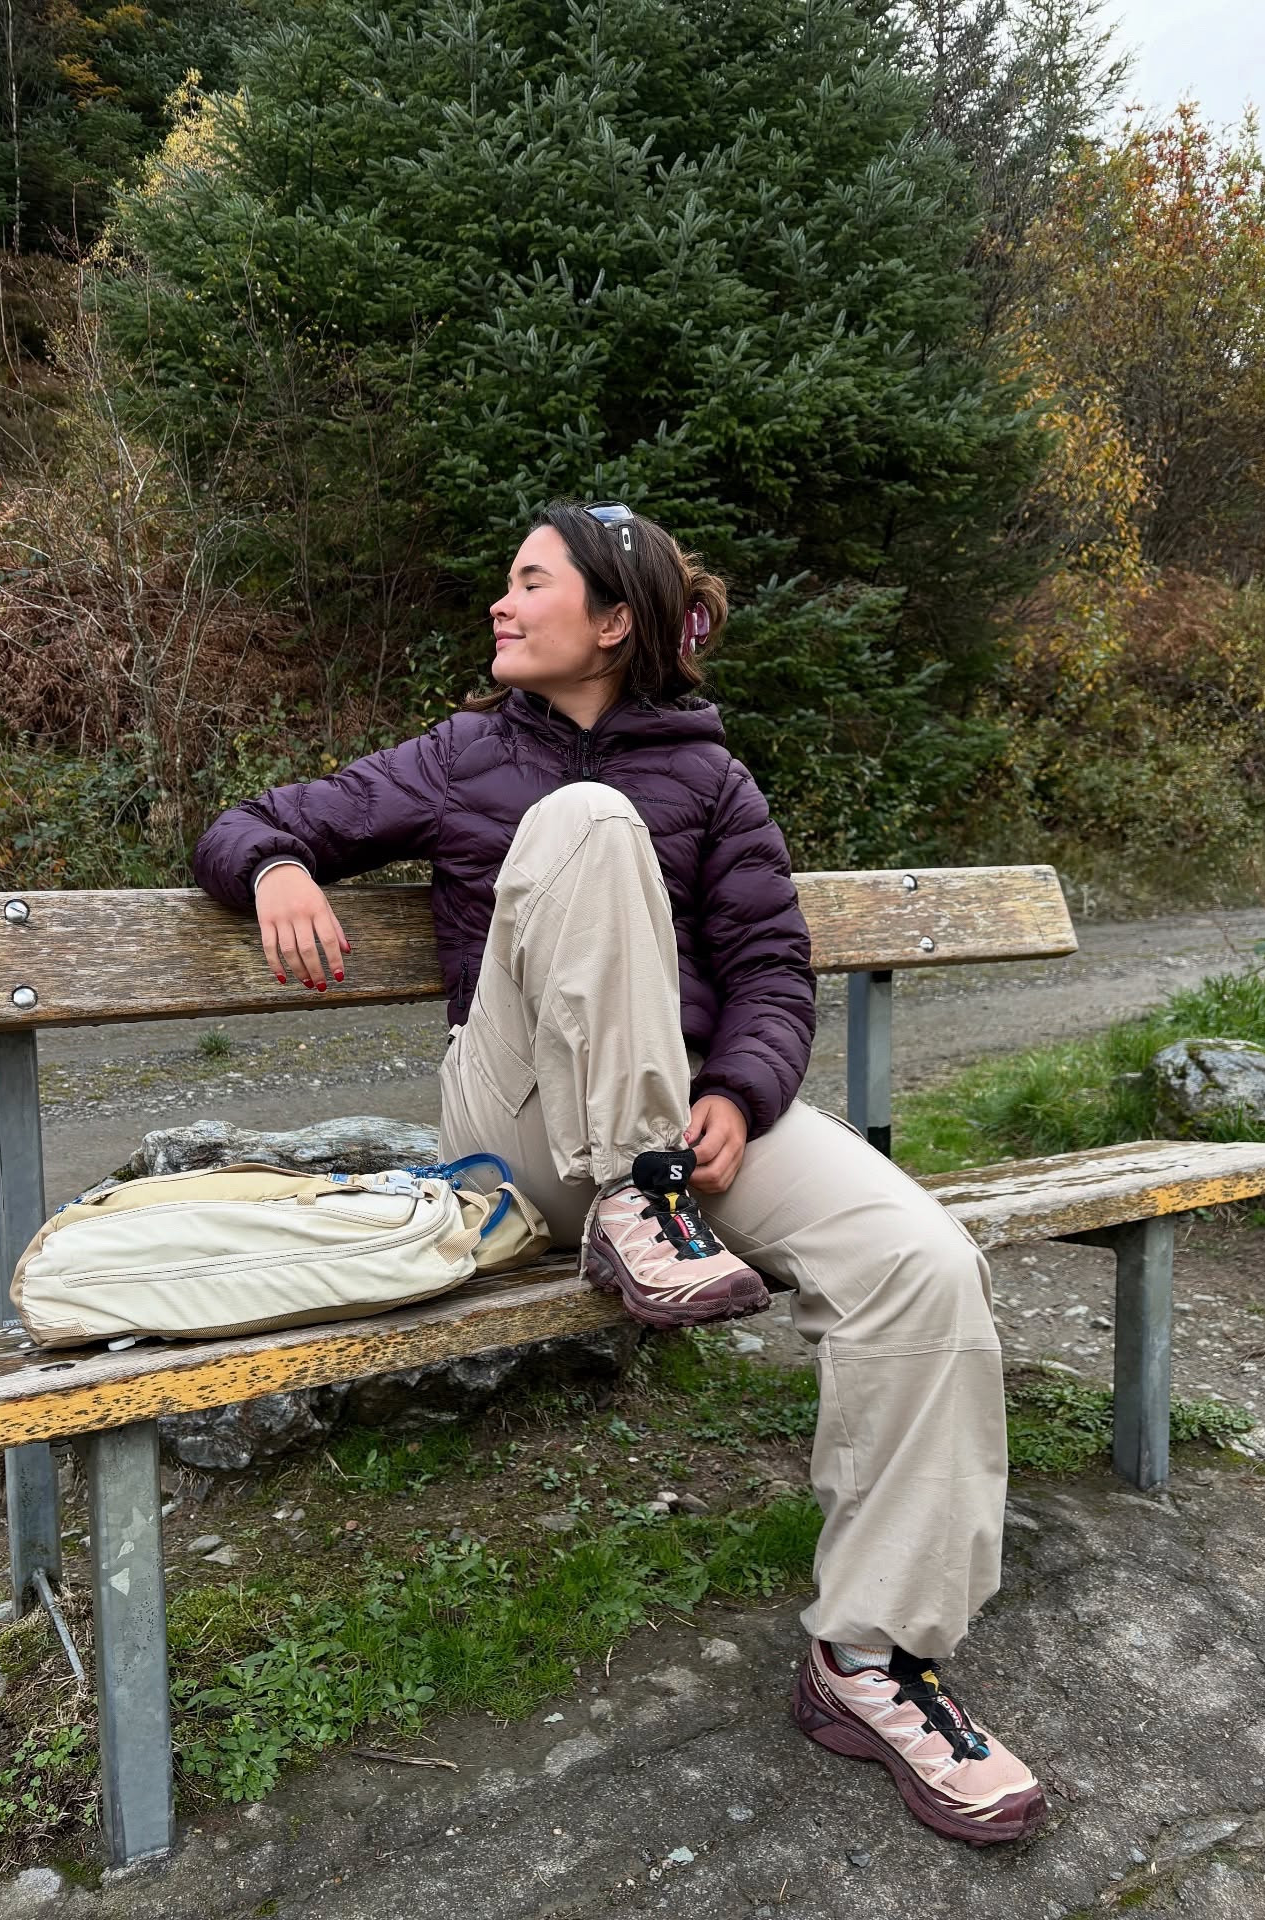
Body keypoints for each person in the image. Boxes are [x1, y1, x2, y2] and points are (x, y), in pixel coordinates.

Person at [192, 501, 1046, 1846]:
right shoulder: (464, 754)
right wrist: (280, 865)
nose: (499, 605)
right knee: (588, 822)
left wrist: (740, 1092)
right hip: (521, 1134)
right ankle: (632, 1198)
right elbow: (244, 820)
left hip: (694, 1131)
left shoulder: (712, 781)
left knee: (921, 1265)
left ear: (613, 621)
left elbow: (769, 969)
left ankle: (870, 1658)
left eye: (528, 584)